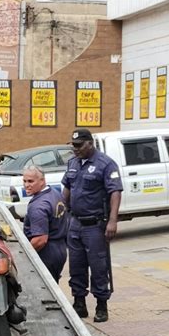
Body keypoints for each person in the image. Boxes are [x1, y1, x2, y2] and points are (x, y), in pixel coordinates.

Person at [62, 128, 122, 323]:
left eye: (79, 146)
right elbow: (67, 189)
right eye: (73, 146)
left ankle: (101, 305)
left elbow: (115, 192)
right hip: (75, 223)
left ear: (90, 144)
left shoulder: (105, 164)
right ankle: (79, 303)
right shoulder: (73, 163)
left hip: (95, 225)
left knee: (98, 266)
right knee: (76, 265)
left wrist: (112, 220)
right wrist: (62, 213)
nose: (75, 149)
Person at [22, 165, 68, 282]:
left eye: (31, 181)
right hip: (60, 249)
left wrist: (24, 256)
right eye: (25, 181)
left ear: (42, 180)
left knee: (46, 292)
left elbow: (40, 240)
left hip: (47, 253)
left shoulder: (38, 206)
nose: (27, 185)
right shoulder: (54, 193)